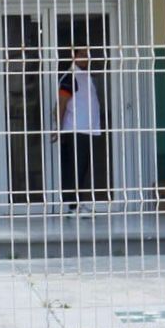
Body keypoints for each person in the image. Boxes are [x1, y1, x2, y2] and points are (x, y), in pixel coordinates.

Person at [54, 47, 102, 214]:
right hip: (76, 129)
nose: (85, 57)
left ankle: (77, 204)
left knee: (81, 169)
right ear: (73, 56)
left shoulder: (84, 76)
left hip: (86, 130)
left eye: (87, 54)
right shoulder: (71, 77)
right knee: (75, 169)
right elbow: (61, 103)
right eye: (81, 54)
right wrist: (58, 128)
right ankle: (72, 206)